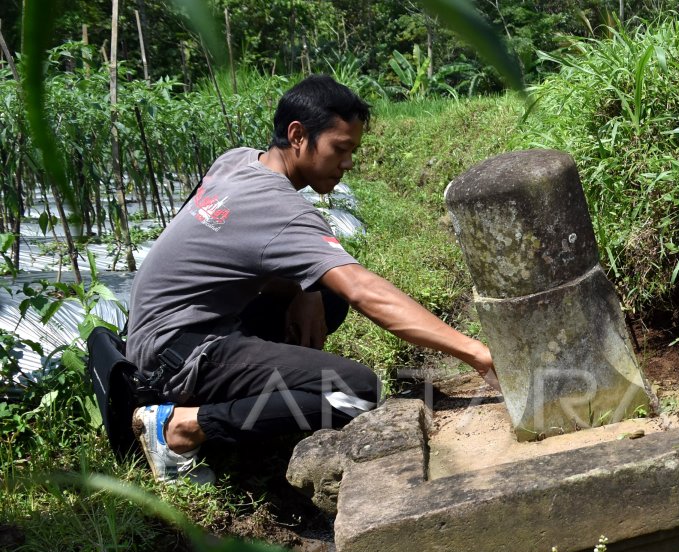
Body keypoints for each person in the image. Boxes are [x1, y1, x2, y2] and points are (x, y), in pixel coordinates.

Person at [125, 75, 495, 483]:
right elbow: (363, 289)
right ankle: (180, 427)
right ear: (298, 135)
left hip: (156, 332)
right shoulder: (281, 209)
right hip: (179, 356)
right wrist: (474, 351)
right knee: (357, 392)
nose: (348, 163)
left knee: (324, 297)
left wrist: (306, 290)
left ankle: (252, 400)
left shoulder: (238, 160)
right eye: (341, 148)